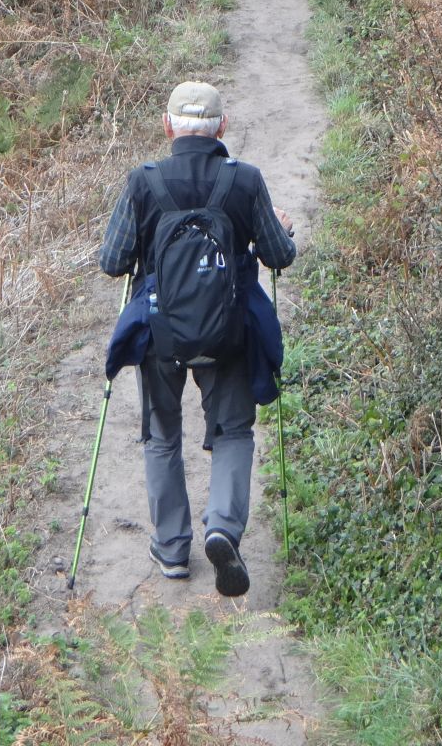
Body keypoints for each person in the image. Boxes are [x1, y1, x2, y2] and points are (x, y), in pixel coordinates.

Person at [99, 80, 296, 596]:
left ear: (168, 127)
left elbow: (112, 262)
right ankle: (222, 528)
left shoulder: (144, 182)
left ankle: (170, 551)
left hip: (161, 335)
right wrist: (280, 228)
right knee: (233, 432)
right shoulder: (245, 180)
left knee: (161, 436)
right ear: (222, 128)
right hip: (227, 333)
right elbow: (279, 256)